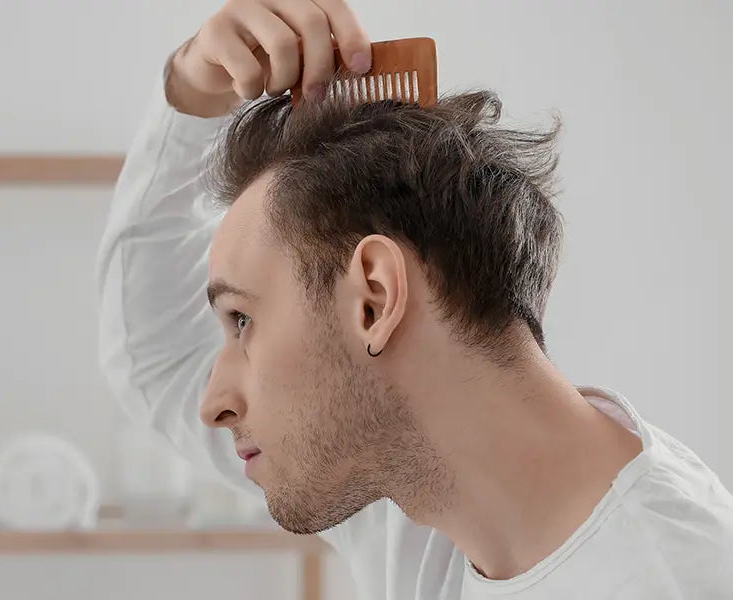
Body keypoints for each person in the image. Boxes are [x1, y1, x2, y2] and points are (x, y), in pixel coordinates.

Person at [95, 0, 733, 597]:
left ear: (373, 300)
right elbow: (155, 356)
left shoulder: (676, 579)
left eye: (243, 320)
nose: (212, 404)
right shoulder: (414, 484)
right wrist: (193, 92)